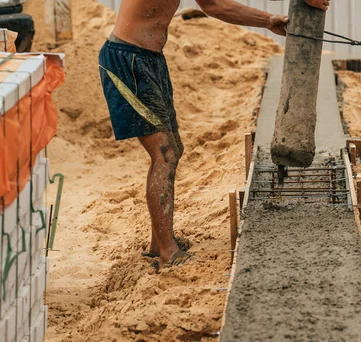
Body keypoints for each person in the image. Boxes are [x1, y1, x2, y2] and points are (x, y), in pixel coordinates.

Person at [99, 0, 329, 266]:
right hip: (127, 60)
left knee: (173, 149)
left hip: (149, 59)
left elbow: (211, 4)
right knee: (165, 153)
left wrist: (268, 20)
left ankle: (157, 242)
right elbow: (216, 5)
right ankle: (167, 252)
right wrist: (269, 19)